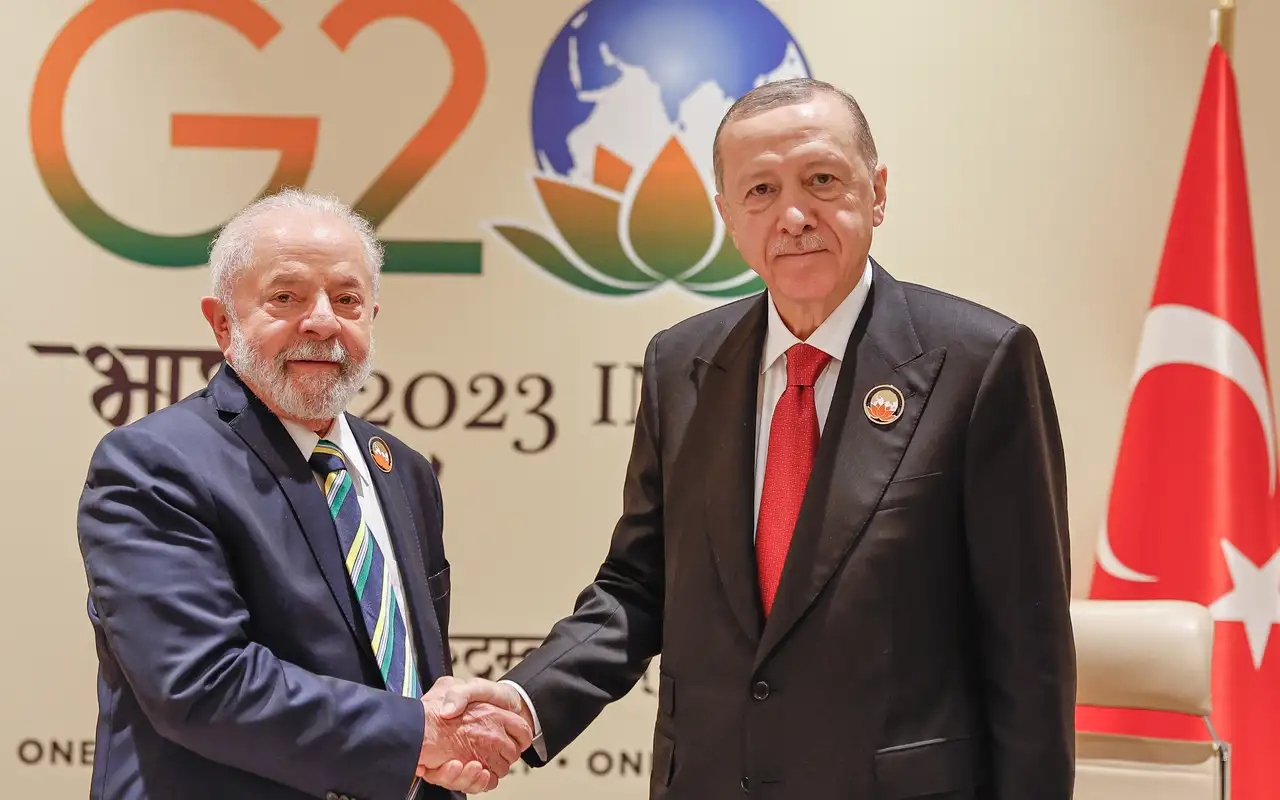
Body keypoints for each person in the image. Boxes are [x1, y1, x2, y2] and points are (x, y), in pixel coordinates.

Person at [430, 78, 1077, 798]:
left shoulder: (980, 363)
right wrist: (522, 704)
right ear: (728, 218)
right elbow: (638, 586)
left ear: (877, 193)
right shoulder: (681, 364)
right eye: (761, 191)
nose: (793, 216)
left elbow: (1028, 648)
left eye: (822, 180)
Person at [75, 189, 532, 799]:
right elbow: (201, 684)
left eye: (347, 300)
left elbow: (406, 677)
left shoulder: (403, 471)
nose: (322, 322)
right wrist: (418, 736)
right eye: (285, 297)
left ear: (372, 316)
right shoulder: (154, 465)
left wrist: (436, 755)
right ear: (222, 323)